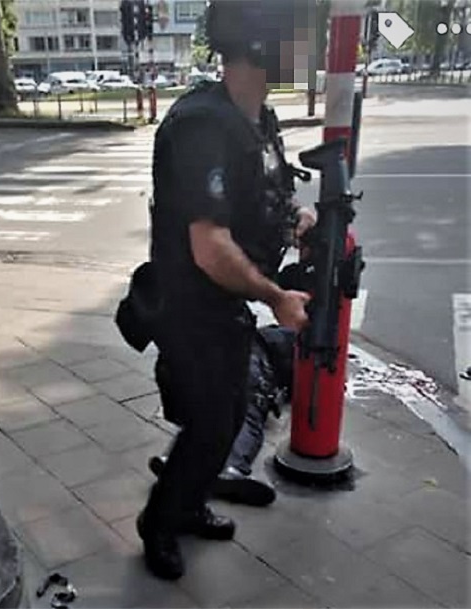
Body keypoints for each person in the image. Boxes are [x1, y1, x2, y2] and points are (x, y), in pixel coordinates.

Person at [136, 0, 316, 580]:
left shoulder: (257, 118)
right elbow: (210, 247)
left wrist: (296, 220)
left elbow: (266, 193)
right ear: (260, 47)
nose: (303, 53)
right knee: (212, 420)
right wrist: (276, 298)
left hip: (224, 302)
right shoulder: (202, 127)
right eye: (294, 41)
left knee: (230, 413)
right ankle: (160, 522)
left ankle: (187, 503)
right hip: (190, 303)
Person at [150, 325, 296, 507]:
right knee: (246, 413)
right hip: (249, 362)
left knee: (208, 412)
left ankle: (174, 461)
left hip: (219, 357)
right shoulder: (295, 342)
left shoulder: (272, 334)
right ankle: (231, 468)